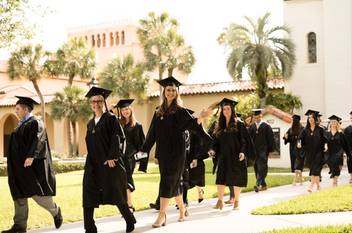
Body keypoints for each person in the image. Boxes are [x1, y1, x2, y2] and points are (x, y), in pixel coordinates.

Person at [140, 76, 212, 228]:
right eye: (168, 90)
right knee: (173, 183)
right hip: (164, 153)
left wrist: (201, 117)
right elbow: (152, 133)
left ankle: (162, 215)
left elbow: (192, 124)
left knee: (166, 181)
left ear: (177, 92)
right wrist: (144, 150)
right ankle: (183, 208)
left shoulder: (180, 111)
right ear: (164, 92)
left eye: (174, 90)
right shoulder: (158, 112)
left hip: (177, 153)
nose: (171, 92)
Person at [2, 96, 62, 233]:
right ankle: (20, 225)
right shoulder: (20, 124)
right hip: (18, 167)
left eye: (17, 109)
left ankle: (55, 211)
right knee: (19, 195)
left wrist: (31, 156)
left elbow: (39, 140)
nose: (15, 111)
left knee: (37, 194)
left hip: (30, 166)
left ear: (25, 109)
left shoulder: (36, 122)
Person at [83, 87, 136, 233]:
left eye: (99, 101)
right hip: (93, 164)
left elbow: (118, 138)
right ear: (91, 104)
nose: (96, 104)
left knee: (117, 194)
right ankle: (89, 227)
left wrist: (113, 156)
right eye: (93, 101)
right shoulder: (90, 123)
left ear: (103, 102)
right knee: (88, 193)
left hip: (109, 163)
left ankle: (129, 219)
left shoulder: (111, 119)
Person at [209, 98, 251, 210]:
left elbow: (244, 140)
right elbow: (215, 142)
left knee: (236, 178)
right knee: (220, 178)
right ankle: (220, 201)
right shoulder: (219, 125)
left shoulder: (239, 124)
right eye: (224, 109)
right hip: (223, 156)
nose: (226, 111)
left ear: (232, 110)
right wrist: (213, 150)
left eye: (228, 109)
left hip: (236, 156)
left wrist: (243, 151)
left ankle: (237, 201)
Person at [115, 99, 146, 212]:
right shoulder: (117, 123)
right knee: (121, 181)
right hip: (119, 156)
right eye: (123, 109)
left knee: (127, 179)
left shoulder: (137, 125)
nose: (125, 111)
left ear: (130, 109)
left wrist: (139, 160)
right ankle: (126, 205)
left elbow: (142, 144)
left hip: (129, 158)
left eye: (127, 109)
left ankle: (129, 205)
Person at [298, 109, 327, 192]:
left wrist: (325, 145)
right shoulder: (305, 130)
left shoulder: (320, 129)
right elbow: (300, 138)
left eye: (312, 117)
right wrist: (299, 143)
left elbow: (325, 139)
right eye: (309, 118)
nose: (310, 119)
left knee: (316, 169)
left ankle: (311, 186)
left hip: (318, 152)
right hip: (309, 153)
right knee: (313, 169)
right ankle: (318, 186)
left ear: (315, 119)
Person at [248, 109, 274, 192]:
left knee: (262, 168)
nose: (257, 119)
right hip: (254, 151)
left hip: (264, 151)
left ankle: (258, 184)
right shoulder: (251, 127)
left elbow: (271, 139)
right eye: (255, 117)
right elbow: (248, 139)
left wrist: (270, 151)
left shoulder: (266, 126)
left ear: (261, 116)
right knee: (256, 168)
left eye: (258, 117)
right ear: (254, 117)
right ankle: (264, 185)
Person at [325, 115, 351, 187]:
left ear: (337, 123)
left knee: (336, 163)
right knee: (333, 165)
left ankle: (334, 181)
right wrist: (325, 145)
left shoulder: (340, 133)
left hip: (338, 152)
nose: (333, 123)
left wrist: (348, 153)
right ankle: (335, 175)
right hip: (329, 152)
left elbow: (345, 144)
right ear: (330, 123)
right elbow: (323, 142)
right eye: (332, 122)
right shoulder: (326, 133)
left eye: (335, 122)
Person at [283, 114, 305, 185]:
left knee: (298, 164)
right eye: (293, 120)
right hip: (292, 149)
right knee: (295, 164)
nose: (294, 122)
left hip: (300, 149)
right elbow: (287, 138)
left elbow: (305, 139)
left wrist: (301, 143)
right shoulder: (290, 129)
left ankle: (295, 180)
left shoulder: (302, 129)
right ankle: (301, 178)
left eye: (295, 120)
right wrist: (285, 137)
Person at [343, 111, 352, 184]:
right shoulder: (347, 129)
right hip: (350, 150)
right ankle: (351, 177)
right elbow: (345, 142)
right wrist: (347, 151)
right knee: (350, 162)